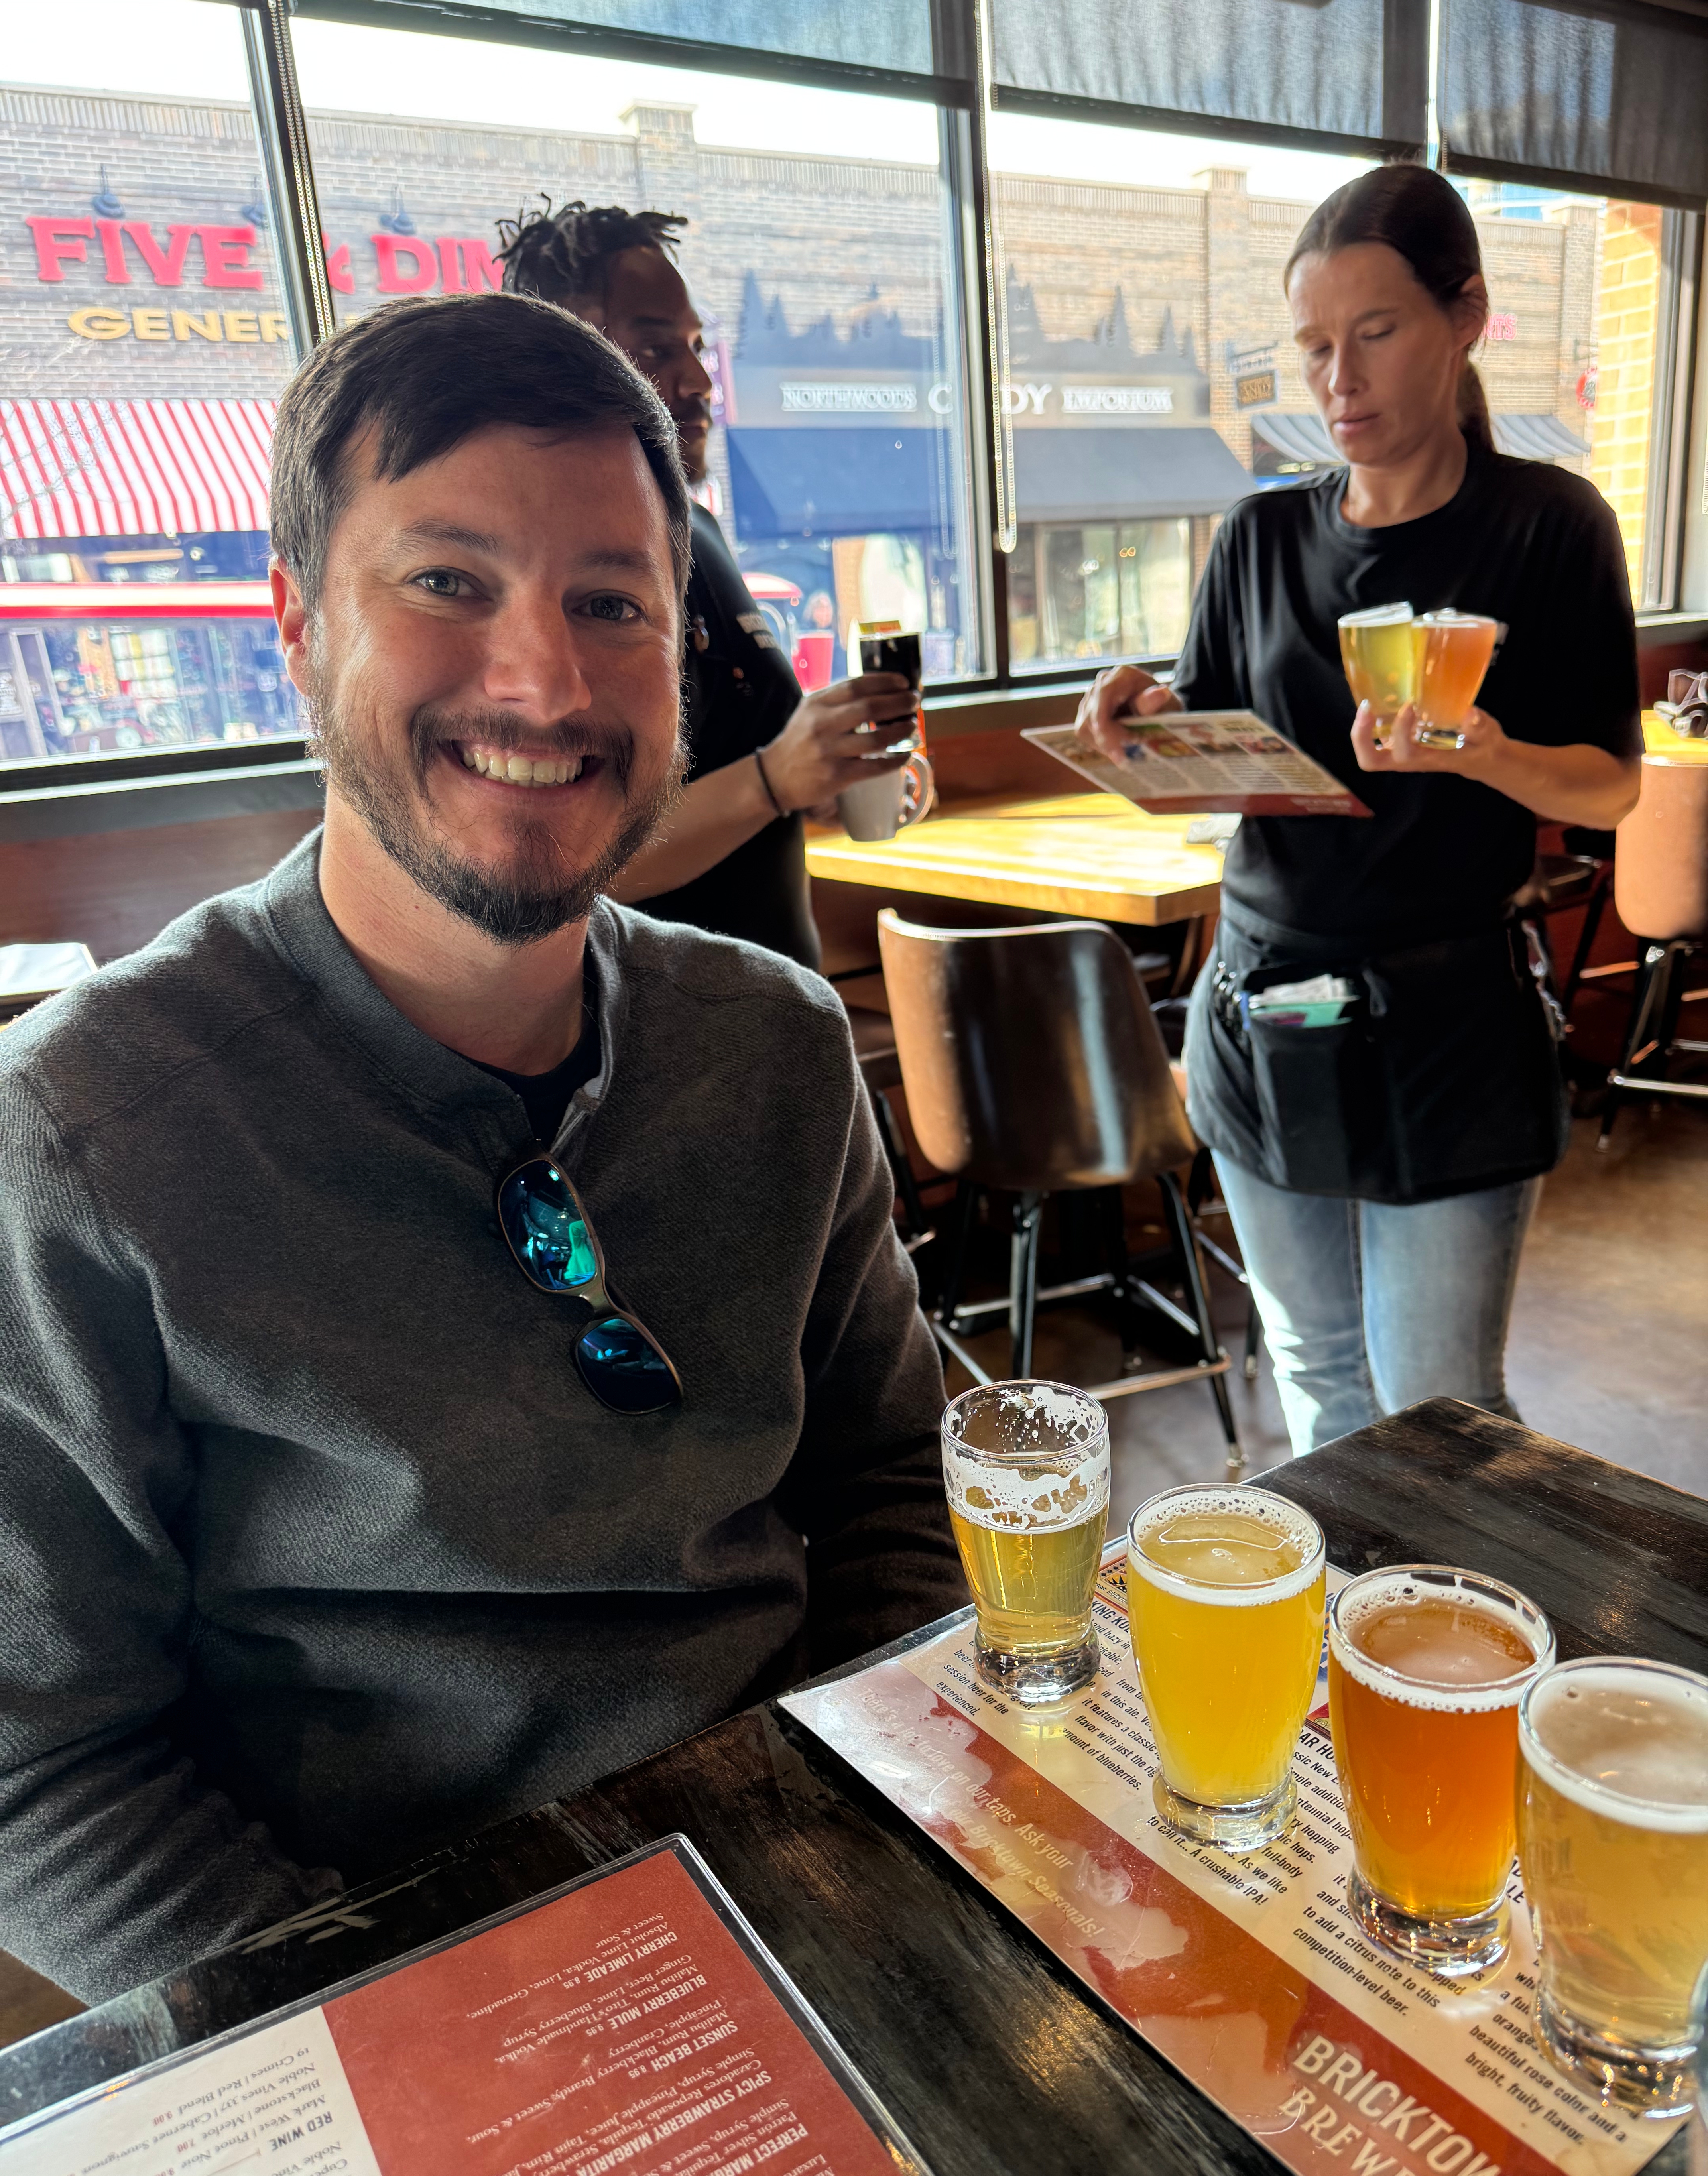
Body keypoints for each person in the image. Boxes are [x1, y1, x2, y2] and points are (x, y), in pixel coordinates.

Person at [0, 292, 962, 2004]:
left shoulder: (776, 1047)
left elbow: (900, 1488)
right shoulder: (90, 1135)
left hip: (819, 1900)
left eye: (613, 605)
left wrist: (852, 1834)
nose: (546, 680)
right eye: (448, 582)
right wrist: (436, 2040)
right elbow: (43, 1775)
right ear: (299, 625)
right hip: (395, 1993)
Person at [1077, 164, 1641, 1455]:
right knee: (1317, 1380)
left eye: (1374, 333)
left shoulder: (1548, 528)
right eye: (1315, 346)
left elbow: (1608, 781)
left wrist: (1486, 752)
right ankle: (1348, 1645)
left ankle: (1451, 1655)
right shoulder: (1258, 536)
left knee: (1438, 1417)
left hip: (1450, 1022)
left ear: (1465, 318)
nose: (1339, 379)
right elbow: (1204, 736)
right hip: (1266, 1004)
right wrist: (1142, 719)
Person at [497, 200, 915, 967]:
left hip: (779, 1020)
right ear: (560, 355)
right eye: (655, 346)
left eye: (695, 344)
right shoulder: (552, 567)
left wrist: (825, 777)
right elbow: (577, 864)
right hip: (665, 1047)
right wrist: (773, 780)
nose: (697, 378)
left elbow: (743, 769)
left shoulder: (696, 529)